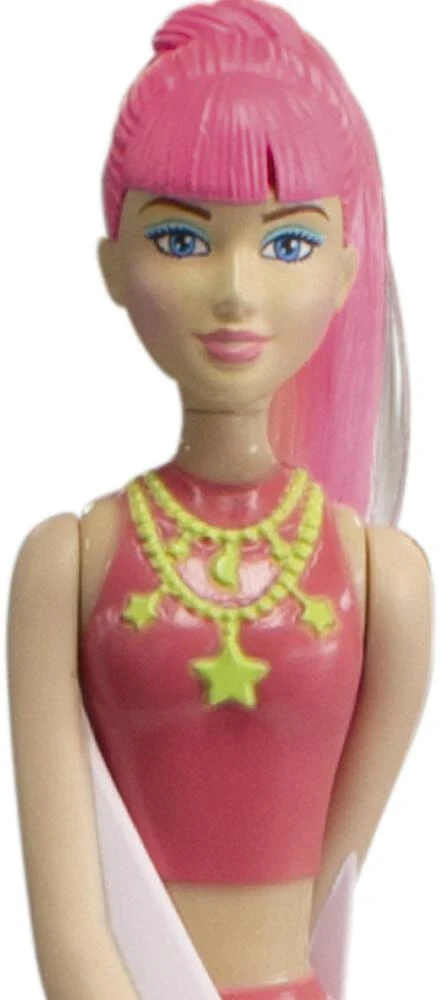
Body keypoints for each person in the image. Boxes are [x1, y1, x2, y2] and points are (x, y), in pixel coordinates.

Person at [7, 2, 433, 999]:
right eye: (180, 238)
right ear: (113, 264)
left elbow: (332, 893)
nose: (235, 291)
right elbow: (68, 924)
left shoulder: (385, 583)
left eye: (285, 245)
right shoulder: (69, 564)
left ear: (345, 268)